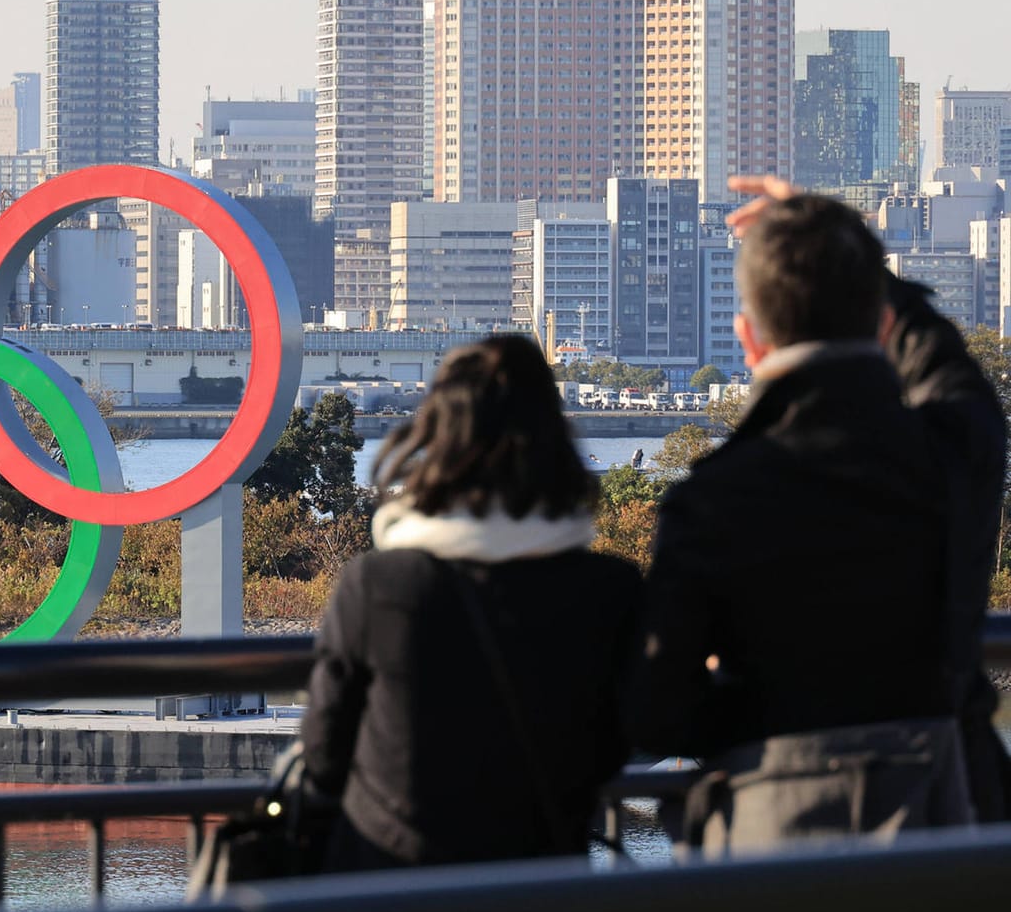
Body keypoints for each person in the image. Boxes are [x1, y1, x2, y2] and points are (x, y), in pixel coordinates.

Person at [628, 180, 1009, 853]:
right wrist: (850, 251)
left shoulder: (711, 500)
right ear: (884, 323)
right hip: (950, 831)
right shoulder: (949, 453)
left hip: (771, 844)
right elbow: (953, 373)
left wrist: (757, 708)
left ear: (747, 338)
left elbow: (661, 712)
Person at [300, 334, 641, 870]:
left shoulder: (378, 586)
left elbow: (324, 753)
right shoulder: (610, 590)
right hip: (542, 884)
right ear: (554, 432)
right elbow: (621, 741)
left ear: (434, 433)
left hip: (391, 882)